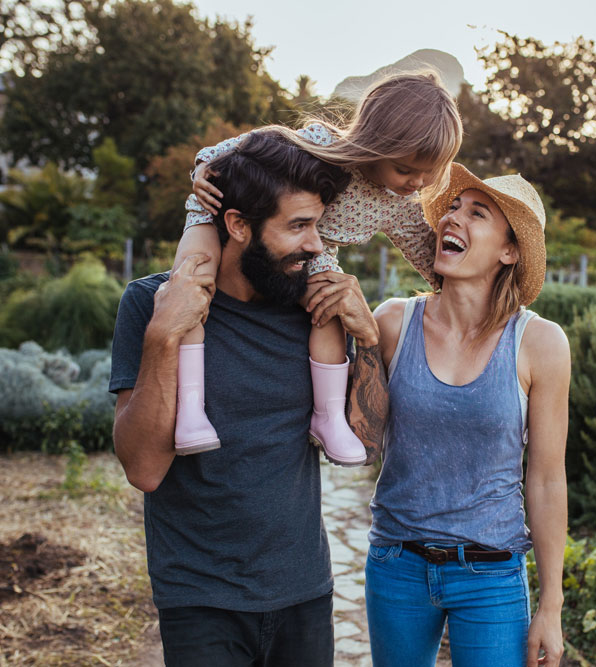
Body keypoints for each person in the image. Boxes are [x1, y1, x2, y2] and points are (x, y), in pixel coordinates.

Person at [108, 130, 388, 666]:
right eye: (298, 226)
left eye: (319, 225)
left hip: (304, 590)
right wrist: (165, 334)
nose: (315, 244)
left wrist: (368, 338)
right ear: (237, 225)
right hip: (200, 598)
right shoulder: (150, 303)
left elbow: (368, 443)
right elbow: (143, 468)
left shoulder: (314, 307)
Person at [171, 71, 462, 466]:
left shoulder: (398, 202)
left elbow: (426, 253)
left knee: (329, 307)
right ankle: (189, 408)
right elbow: (235, 148)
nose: (418, 182)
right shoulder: (320, 144)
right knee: (192, 282)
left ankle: (326, 418)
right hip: (217, 214)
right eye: (406, 169)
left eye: (430, 172)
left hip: (309, 254)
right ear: (375, 142)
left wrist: (469, 288)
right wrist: (204, 171)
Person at [364, 163, 570, 667]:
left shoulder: (540, 343)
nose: (453, 219)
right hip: (397, 564)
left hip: (492, 575)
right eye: (452, 208)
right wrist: (347, 325)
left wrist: (551, 605)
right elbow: (356, 440)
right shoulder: (392, 322)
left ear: (509, 251)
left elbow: (545, 480)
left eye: (477, 213)